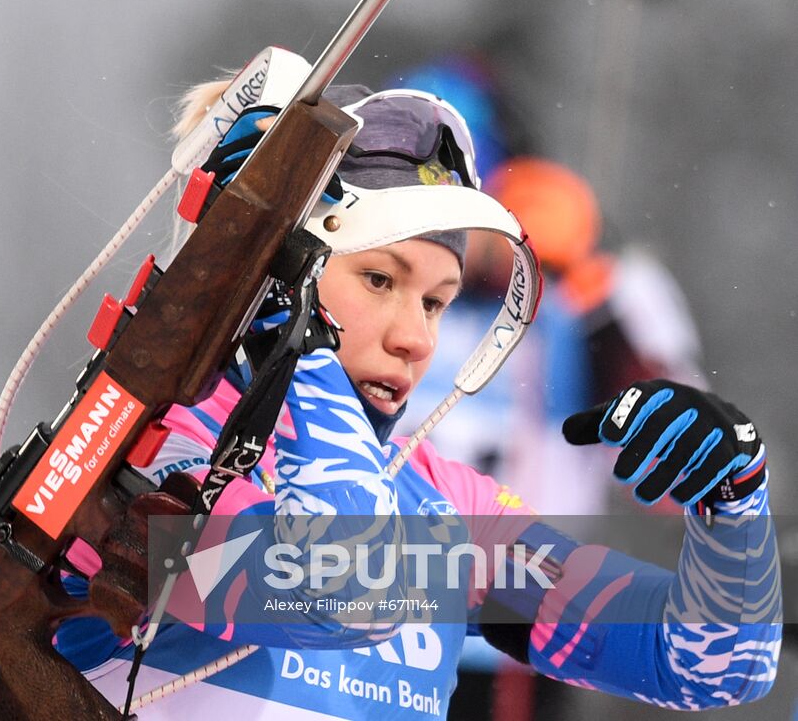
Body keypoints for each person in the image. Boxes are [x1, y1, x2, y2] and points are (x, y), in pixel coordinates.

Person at [55, 66, 781, 719]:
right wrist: (294, 346)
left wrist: (734, 503)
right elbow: (335, 590)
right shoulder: (149, 453)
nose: (416, 339)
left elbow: (711, 668)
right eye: (380, 280)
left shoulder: (436, 508)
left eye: (436, 302)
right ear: (276, 273)